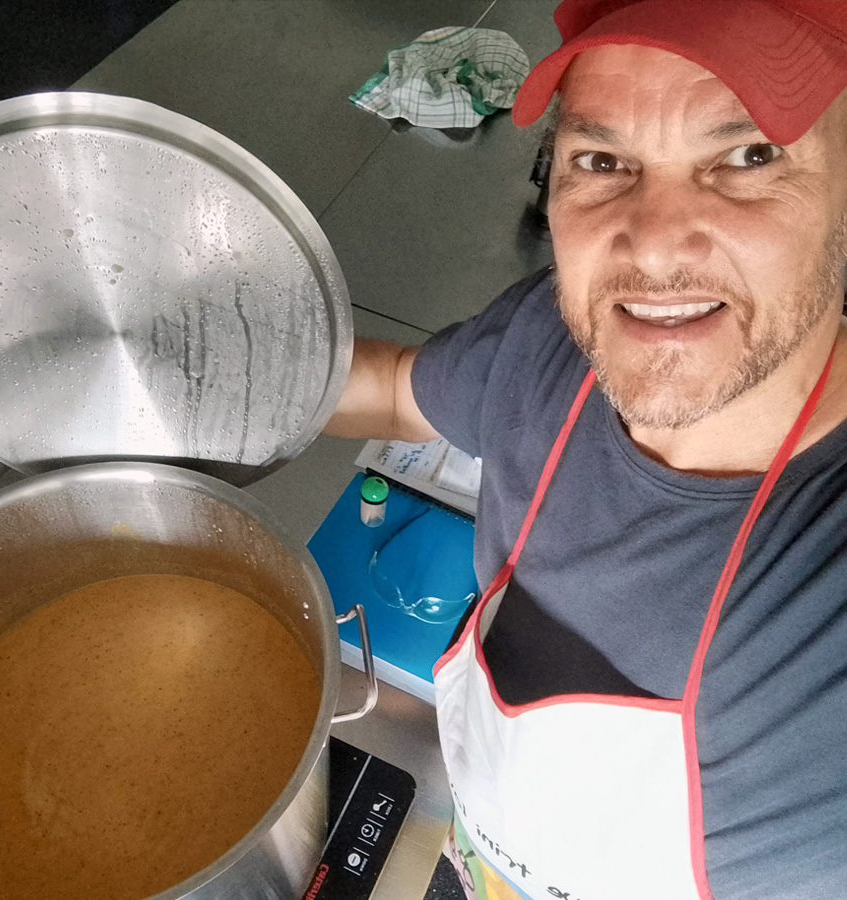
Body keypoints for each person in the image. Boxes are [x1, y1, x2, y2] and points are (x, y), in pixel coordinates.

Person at [326, 2, 847, 898]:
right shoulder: (545, 345)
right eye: (602, 161)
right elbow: (393, 388)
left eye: (748, 156)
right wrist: (182, 377)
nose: (652, 241)